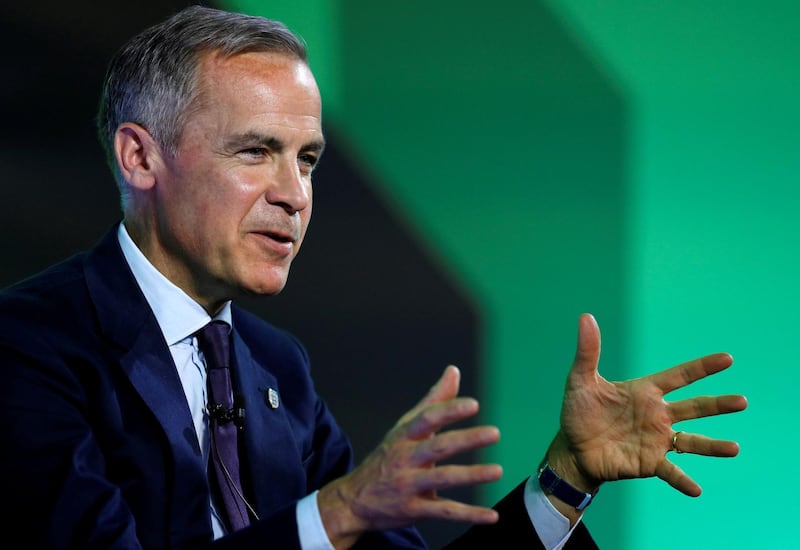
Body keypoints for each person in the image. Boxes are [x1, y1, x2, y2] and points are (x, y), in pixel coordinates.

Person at [0, 5, 747, 549]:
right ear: (140, 159)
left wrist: (565, 477)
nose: (294, 194)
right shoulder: (29, 346)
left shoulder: (275, 371)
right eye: (256, 151)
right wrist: (336, 513)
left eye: (309, 158)